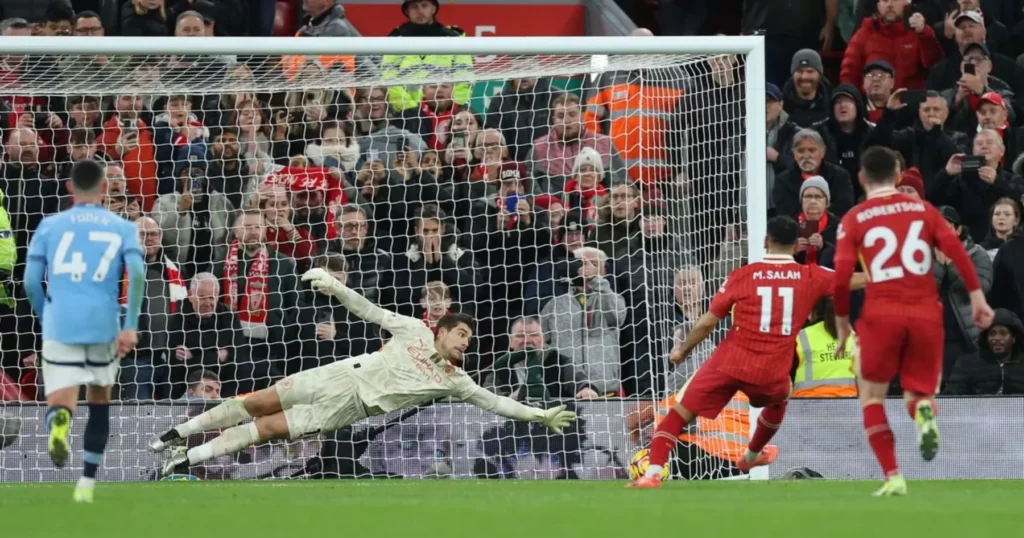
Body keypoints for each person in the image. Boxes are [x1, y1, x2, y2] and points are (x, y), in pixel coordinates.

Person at [150, 268, 576, 474]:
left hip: (347, 409)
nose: (466, 342)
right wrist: (335, 287)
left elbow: (497, 402)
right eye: (461, 333)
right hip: (340, 374)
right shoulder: (412, 329)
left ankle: (185, 460)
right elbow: (369, 310)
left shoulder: (456, 380)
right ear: (442, 330)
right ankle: (177, 434)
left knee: (268, 429)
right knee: (255, 402)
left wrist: (540, 415)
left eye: (469, 338)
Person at [627, 216, 866, 489]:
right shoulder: (811, 276)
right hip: (771, 370)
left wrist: (683, 350)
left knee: (678, 413)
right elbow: (853, 281)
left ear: (766, 242)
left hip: (728, 363)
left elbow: (707, 323)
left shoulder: (742, 275)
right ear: (796, 246)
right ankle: (752, 455)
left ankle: (653, 473)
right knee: (780, 399)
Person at [832, 146, 994, 497]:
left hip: (880, 314)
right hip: (925, 313)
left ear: (861, 178)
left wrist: (843, 322)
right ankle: (923, 413)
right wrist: (978, 298)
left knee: (872, 397)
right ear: (897, 176)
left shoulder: (855, 218)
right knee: (917, 392)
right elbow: (956, 250)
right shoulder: (925, 211)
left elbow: (842, 275)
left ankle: (893, 475)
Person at [22, 160, 146, 503]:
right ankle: (86, 483)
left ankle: (59, 420)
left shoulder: (49, 226)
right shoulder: (122, 227)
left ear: (69, 189)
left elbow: (31, 281)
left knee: (62, 399)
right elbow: (136, 273)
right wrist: (130, 326)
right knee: (99, 399)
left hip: (60, 321)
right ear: (105, 189)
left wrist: (46, 315)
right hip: (104, 323)